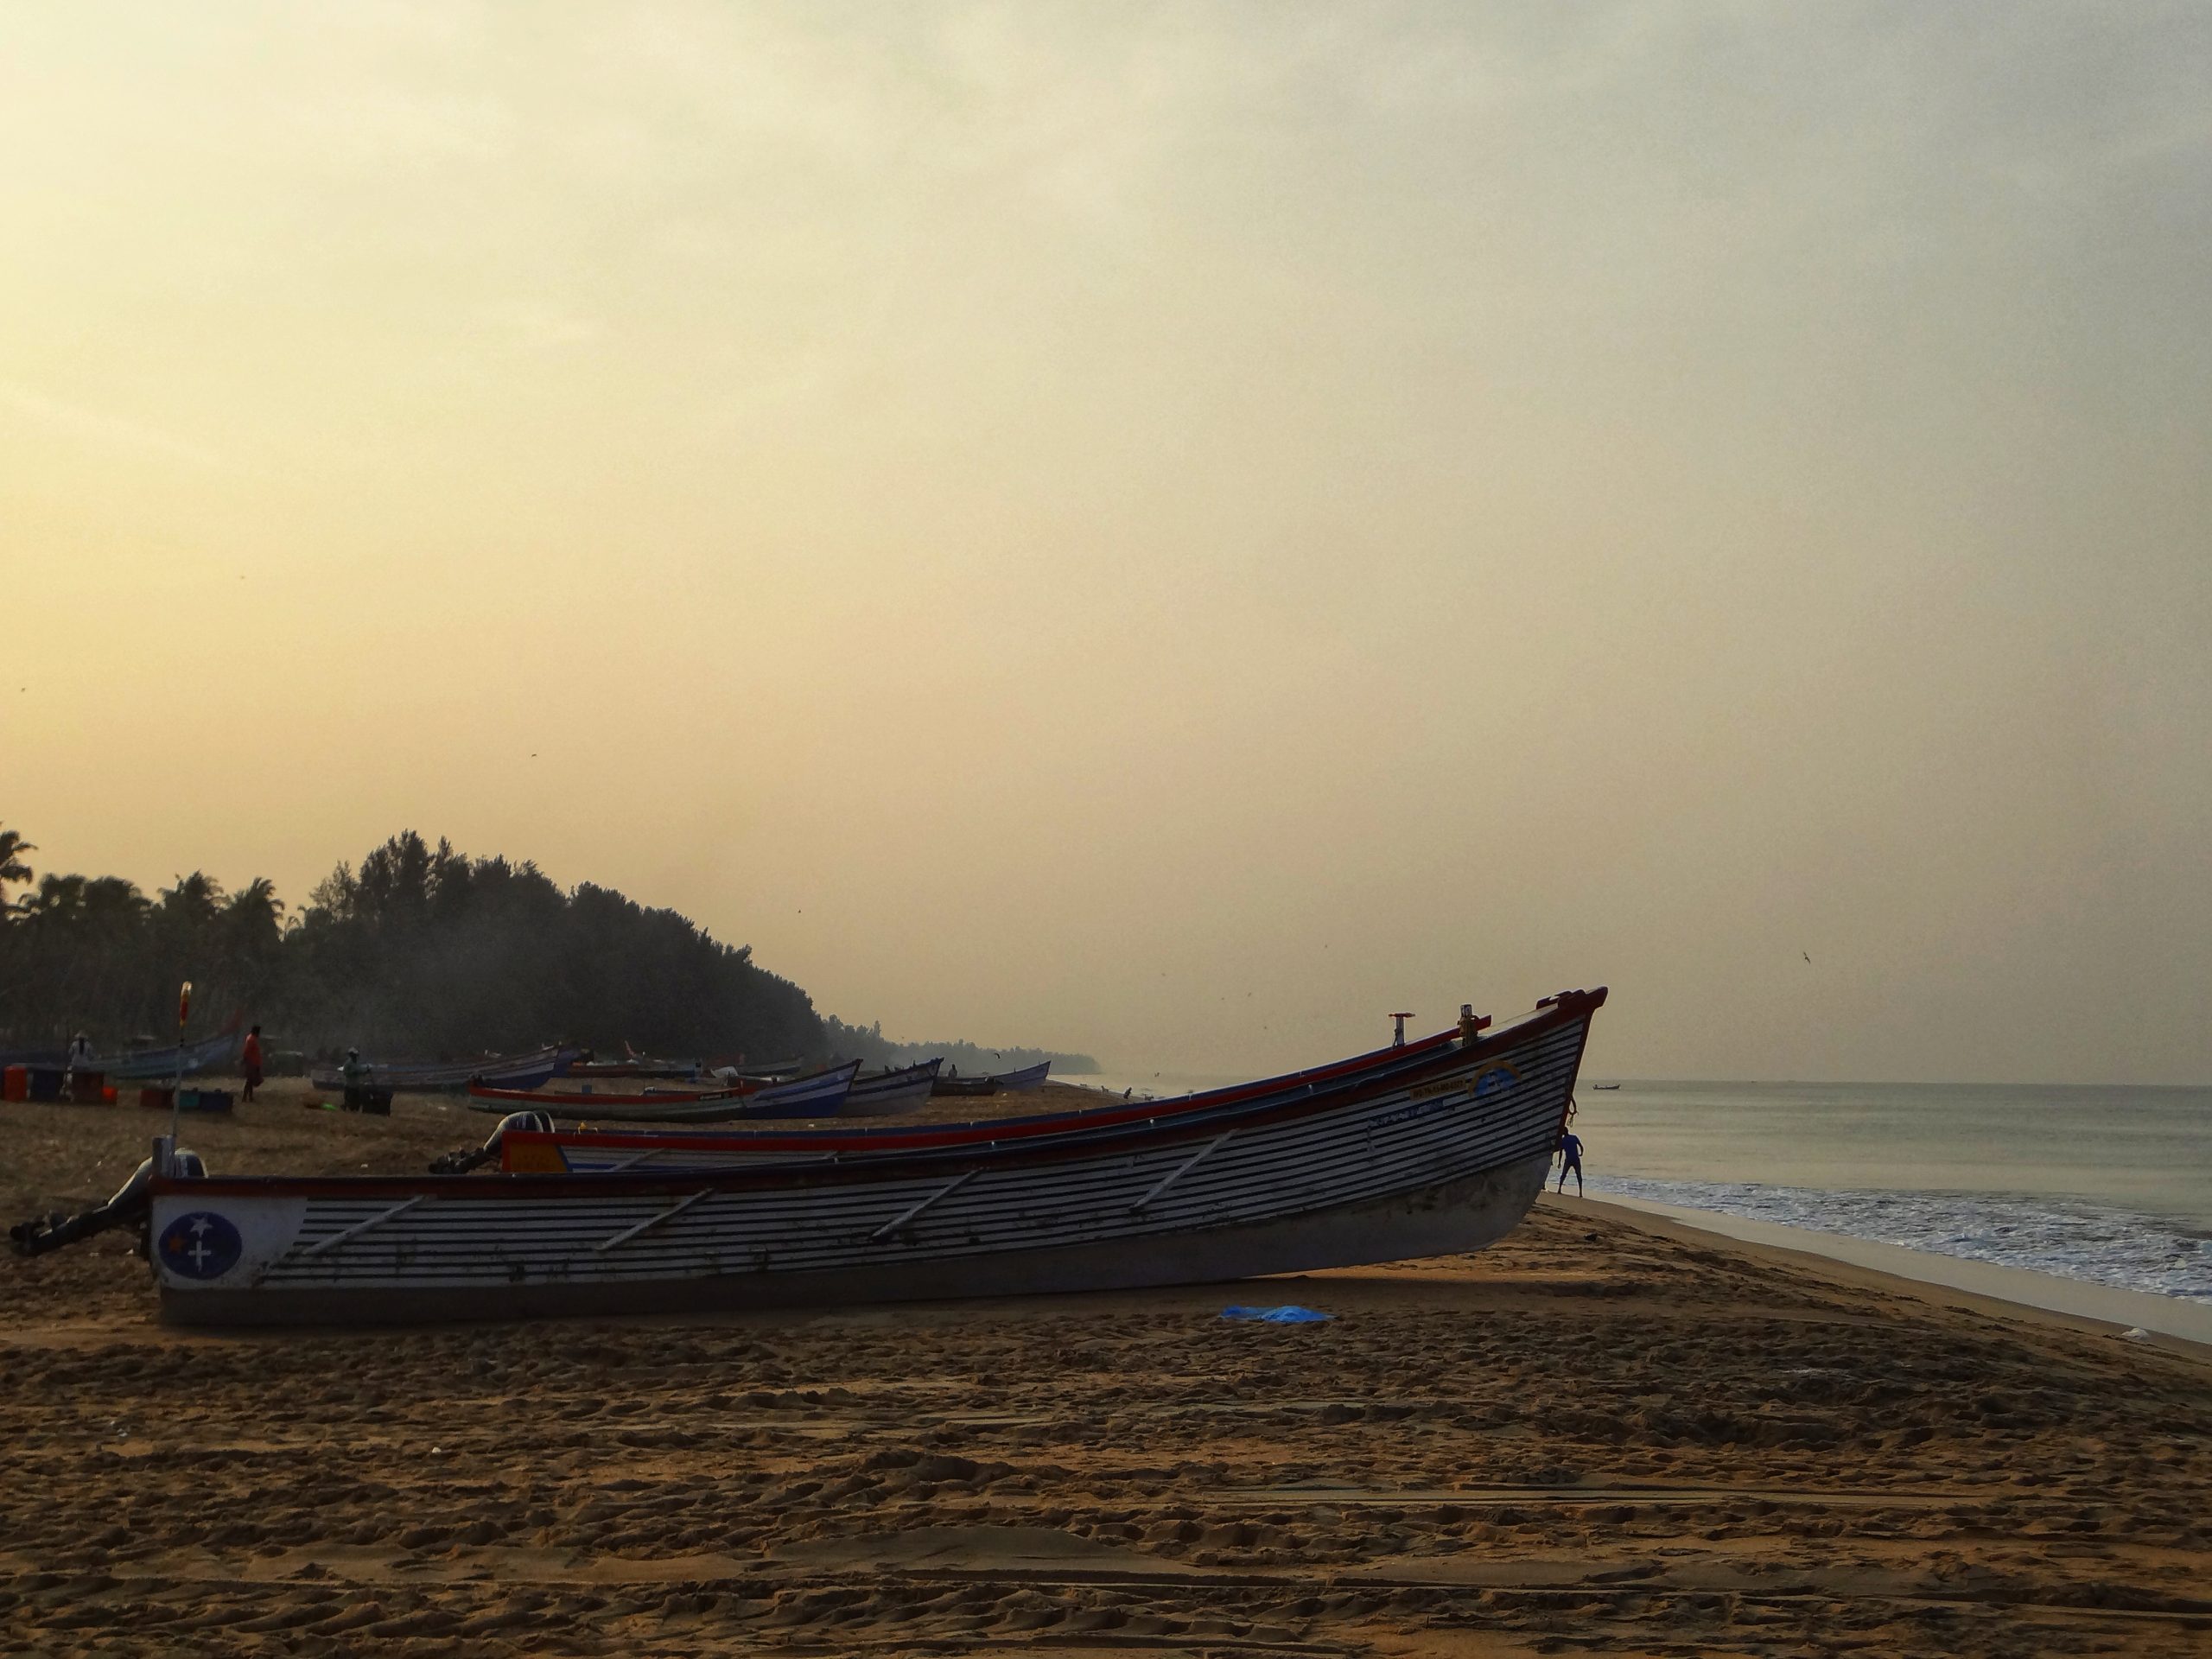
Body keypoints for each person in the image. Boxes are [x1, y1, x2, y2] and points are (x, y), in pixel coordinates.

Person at [1555, 1127, 1583, 1196]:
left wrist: (1559, 1162)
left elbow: (1561, 1152)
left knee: (1564, 1174)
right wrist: (1581, 1153)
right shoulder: (1574, 1137)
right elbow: (1581, 1146)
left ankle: (1559, 1189)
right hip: (1576, 1158)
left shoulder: (1563, 1140)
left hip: (1569, 1159)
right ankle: (1580, 1192)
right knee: (1579, 1175)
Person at [240, 1025, 264, 1103]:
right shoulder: (252, 1039)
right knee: (250, 1081)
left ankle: (249, 1097)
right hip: (252, 1063)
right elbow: (247, 1051)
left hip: (253, 1062)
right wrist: (244, 1059)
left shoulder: (251, 1039)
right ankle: (245, 1097)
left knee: (250, 1081)